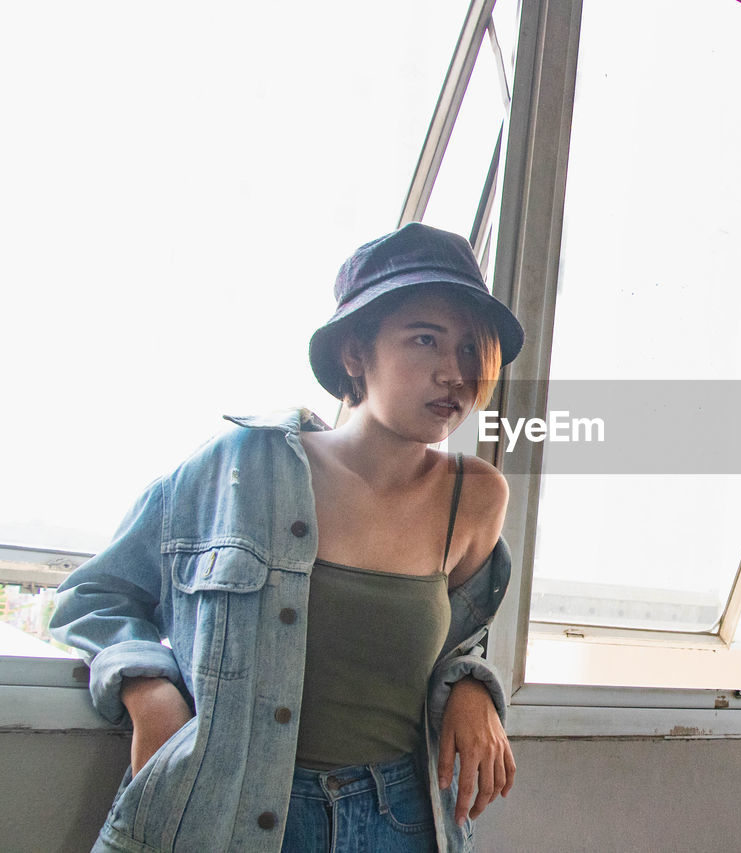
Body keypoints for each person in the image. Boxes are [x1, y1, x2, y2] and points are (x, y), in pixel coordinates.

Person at [51, 223, 524, 852]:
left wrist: (469, 685)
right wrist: (148, 688)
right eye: (425, 339)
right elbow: (94, 597)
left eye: (471, 349)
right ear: (356, 354)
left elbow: (459, 638)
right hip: (229, 813)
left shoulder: (477, 497)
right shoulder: (240, 467)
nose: (454, 373)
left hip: (401, 819)